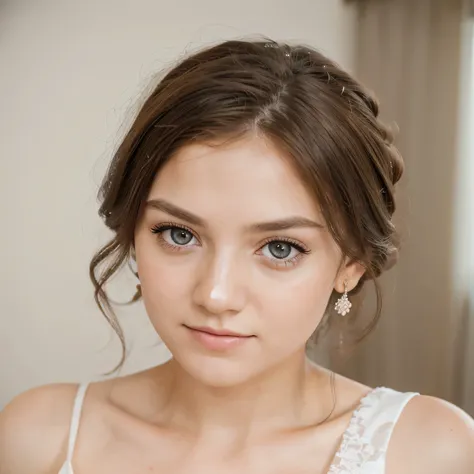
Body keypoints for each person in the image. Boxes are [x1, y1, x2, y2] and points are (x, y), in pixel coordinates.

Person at [1, 39, 473, 474]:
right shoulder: (38, 437)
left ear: (350, 264)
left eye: (280, 248)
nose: (216, 294)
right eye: (179, 234)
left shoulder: (427, 450)